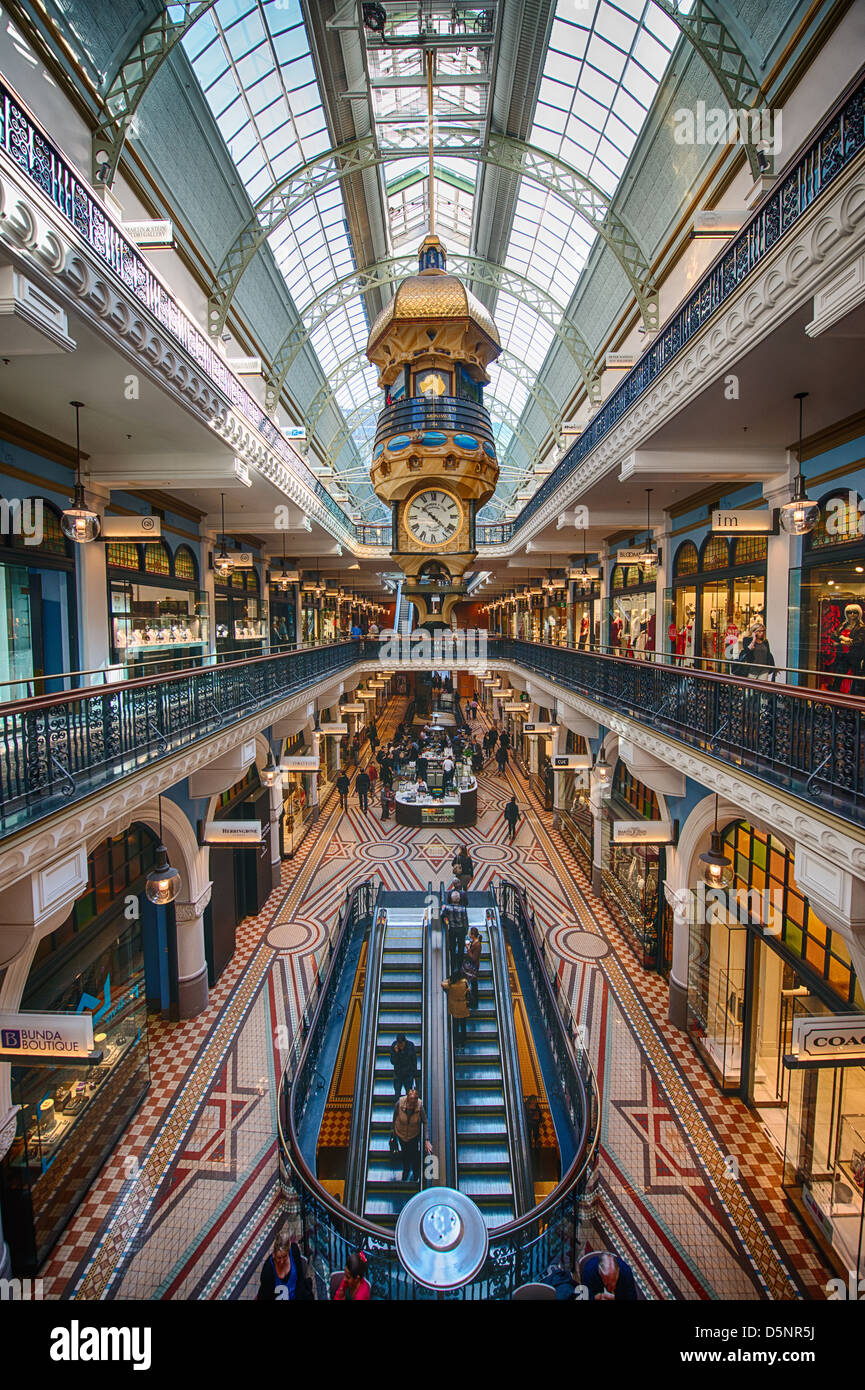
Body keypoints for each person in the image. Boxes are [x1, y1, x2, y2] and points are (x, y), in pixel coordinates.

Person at [257, 1225, 313, 1301]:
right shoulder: (268, 1271)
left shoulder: (294, 1250)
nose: (282, 1261)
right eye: (279, 1258)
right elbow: (265, 1296)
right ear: (274, 1254)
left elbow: (300, 1279)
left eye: (285, 1257)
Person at [391, 1089, 432, 1182]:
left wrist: (426, 1139)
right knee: (405, 1153)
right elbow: (394, 1117)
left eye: (413, 1104)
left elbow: (425, 1122)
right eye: (410, 1104)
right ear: (407, 1100)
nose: (411, 1107)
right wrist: (392, 1131)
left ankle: (415, 1172)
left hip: (413, 1135)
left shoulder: (419, 1107)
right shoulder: (399, 1103)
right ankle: (406, 1170)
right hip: (401, 1134)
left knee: (414, 1154)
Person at [442, 969, 469, 1048]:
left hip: (454, 1008)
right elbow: (468, 989)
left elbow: (443, 984)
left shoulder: (451, 986)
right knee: (463, 1026)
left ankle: (456, 1043)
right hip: (463, 1007)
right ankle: (463, 1042)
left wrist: (449, 980)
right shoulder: (464, 983)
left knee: (455, 1026)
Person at [389, 1033, 417, 1098]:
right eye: (399, 1044)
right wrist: (396, 1053)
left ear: (405, 1041)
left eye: (402, 1044)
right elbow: (393, 1061)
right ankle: (398, 1106)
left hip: (408, 1074)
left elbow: (414, 1060)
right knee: (397, 1094)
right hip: (398, 1074)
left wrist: (413, 1073)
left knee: (409, 1093)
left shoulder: (410, 1045)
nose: (401, 1046)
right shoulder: (394, 1046)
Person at [463, 926, 482, 1010]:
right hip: (472, 966)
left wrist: (468, 949)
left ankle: (473, 1002)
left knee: (474, 985)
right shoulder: (474, 942)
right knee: (472, 984)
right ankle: (472, 1001)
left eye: (470, 933)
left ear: (473, 935)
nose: (469, 934)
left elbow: (473, 958)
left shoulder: (477, 944)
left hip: (473, 967)